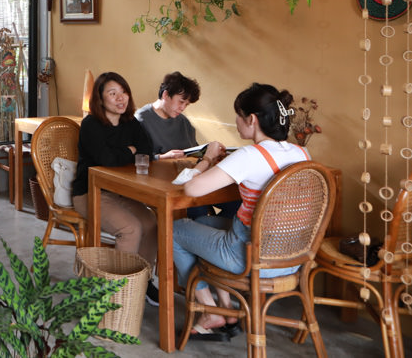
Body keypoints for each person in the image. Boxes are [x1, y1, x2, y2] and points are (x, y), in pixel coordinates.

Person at [173, 83, 311, 341]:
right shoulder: (302, 153)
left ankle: (212, 311)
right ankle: (226, 307)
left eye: (238, 115)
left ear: (251, 119)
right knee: (206, 220)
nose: (235, 121)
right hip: (292, 259)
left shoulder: (249, 155)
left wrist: (207, 158)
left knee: (173, 230)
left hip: (251, 259)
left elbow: (191, 189)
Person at [70, 71, 159, 305]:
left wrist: (130, 151)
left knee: (151, 224)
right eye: (113, 93)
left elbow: (148, 150)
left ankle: (143, 281)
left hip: (121, 191)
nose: (121, 98)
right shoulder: (91, 124)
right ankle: (120, 294)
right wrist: (129, 151)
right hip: (89, 192)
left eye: (124, 92)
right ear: (100, 99)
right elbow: (105, 159)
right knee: (130, 229)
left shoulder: (131, 123)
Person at [136, 72, 239, 220]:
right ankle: (199, 235)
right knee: (197, 207)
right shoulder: (141, 119)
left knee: (237, 204)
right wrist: (162, 157)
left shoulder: (182, 121)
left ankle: (210, 236)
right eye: (181, 102)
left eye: (186, 104)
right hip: (164, 184)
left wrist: (211, 154)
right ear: (165, 95)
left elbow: (194, 151)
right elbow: (136, 159)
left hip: (188, 179)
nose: (183, 108)